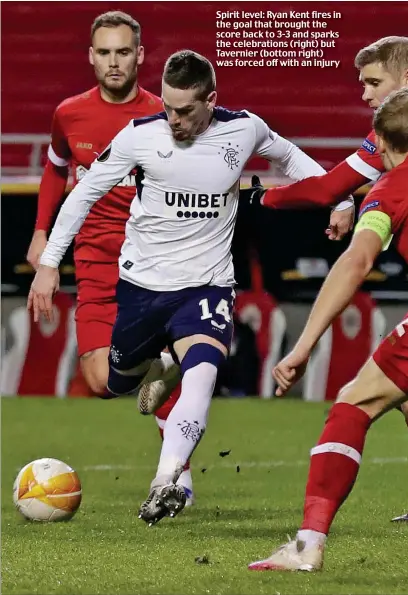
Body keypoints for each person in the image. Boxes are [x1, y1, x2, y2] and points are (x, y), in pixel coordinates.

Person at [27, 49, 353, 525]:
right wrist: (50, 262)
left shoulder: (243, 129)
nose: (174, 119)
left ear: (211, 100)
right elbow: (84, 193)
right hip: (142, 286)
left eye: (185, 110)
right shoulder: (141, 136)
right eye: (168, 108)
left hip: (207, 285)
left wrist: (339, 197)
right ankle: (161, 367)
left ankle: (167, 480)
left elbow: (288, 156)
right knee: (113, 381)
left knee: (204, 370)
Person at [250, 36, 408, 523]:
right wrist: (269, 199)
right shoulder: (400, 138)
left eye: (374, 83)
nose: (365, 95)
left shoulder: (402, 145)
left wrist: (257, 200)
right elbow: (333, 187)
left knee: (363, 400)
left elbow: (337, 200)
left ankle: (309, 538)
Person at [25, 11, 194, 501]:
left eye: (124, 52)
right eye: (104, 52)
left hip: (153, 259)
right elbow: (57, 171)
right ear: (91, 56)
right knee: (100, 379)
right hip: (95, 259)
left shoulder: (168, 113)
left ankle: (176, 481)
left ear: (140, 56)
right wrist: (42, 236)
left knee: (165, 371)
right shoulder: (69, 114)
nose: (114, 62)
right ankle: (161, 367)